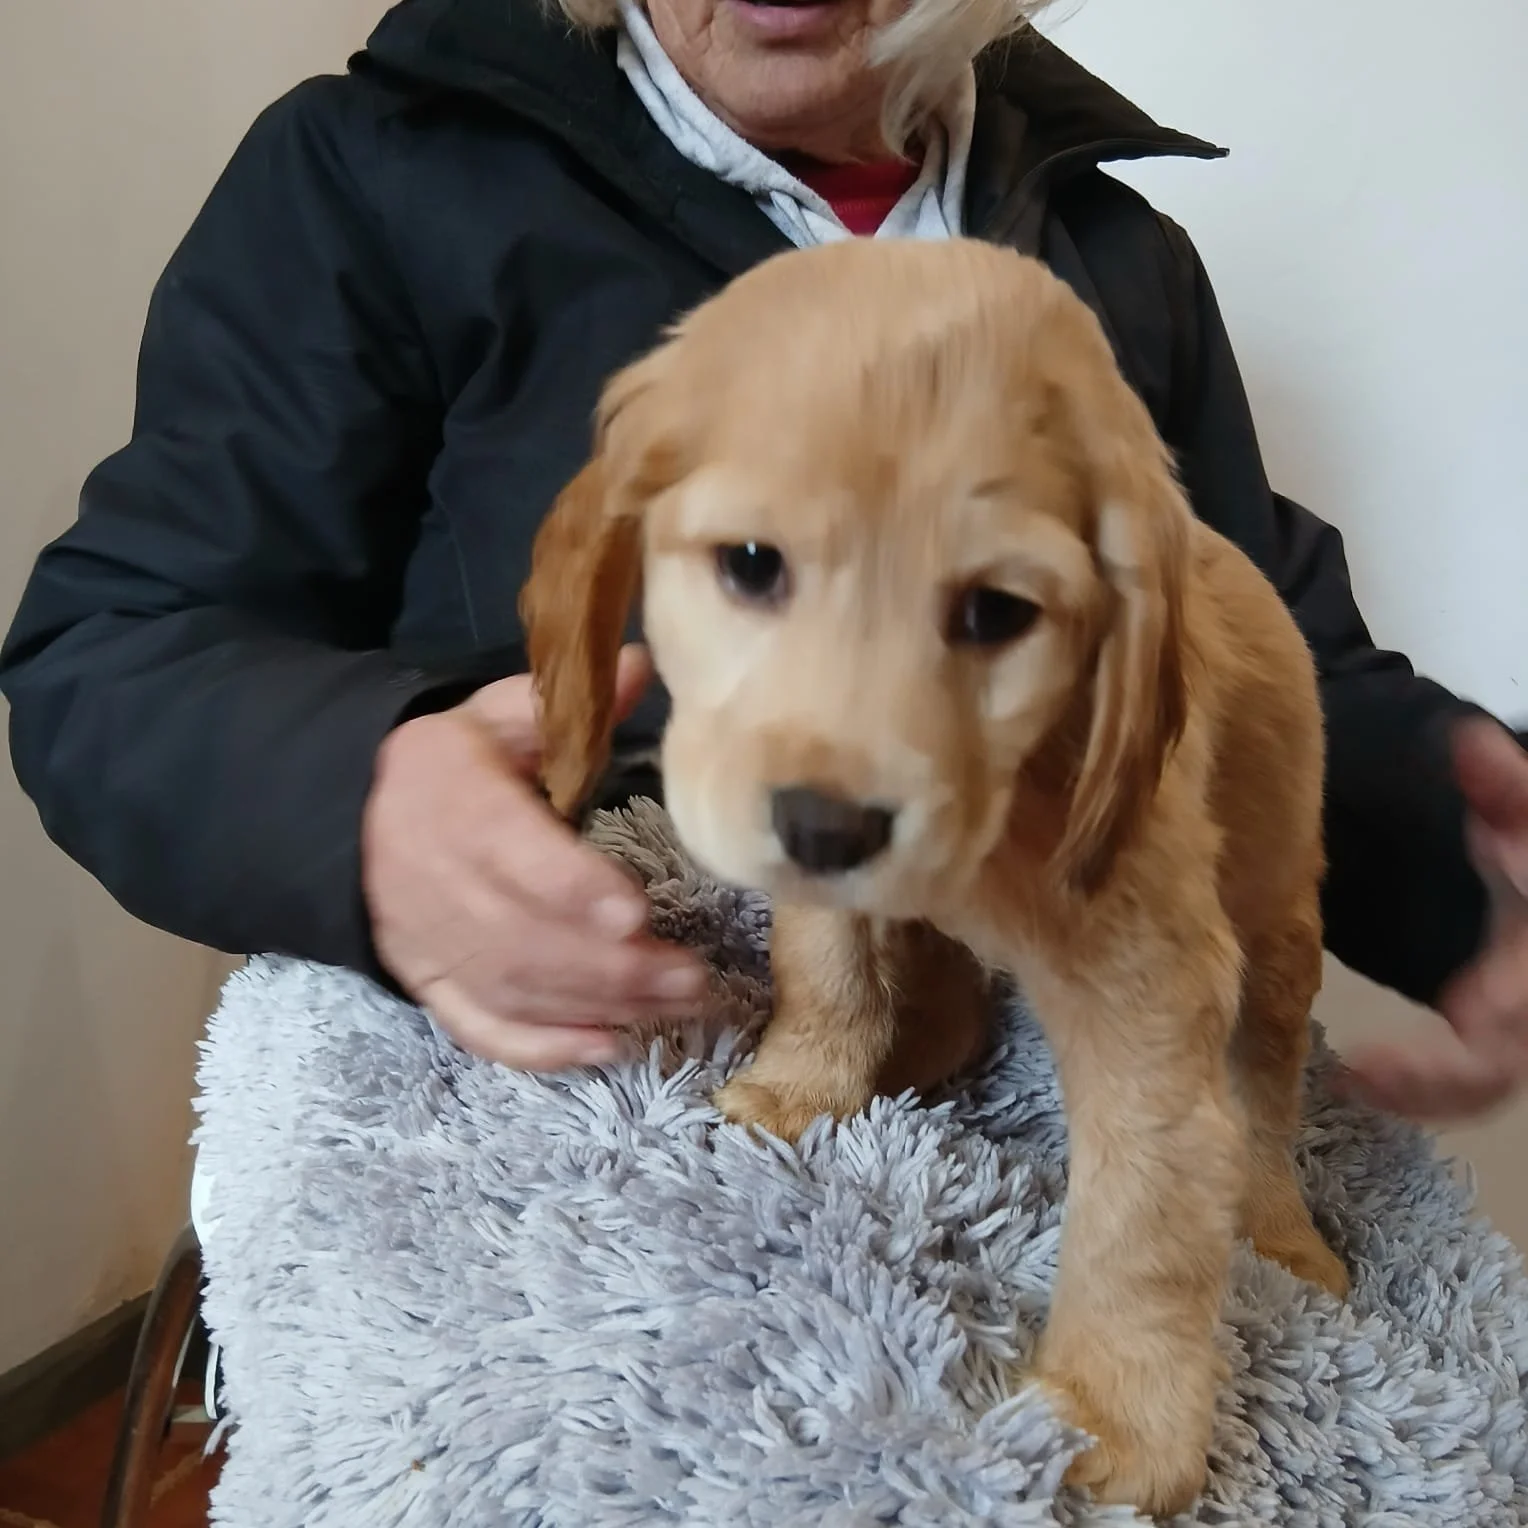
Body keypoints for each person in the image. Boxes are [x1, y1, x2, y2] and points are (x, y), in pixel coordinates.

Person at [2, 0, 1525, 1118]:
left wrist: (1470, 868)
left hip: (1040, 1012)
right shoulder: (367, 177)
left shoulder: (1120, 266)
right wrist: (354, 799)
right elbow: (120, 646)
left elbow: (1270, 670)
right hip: (571, 1048)